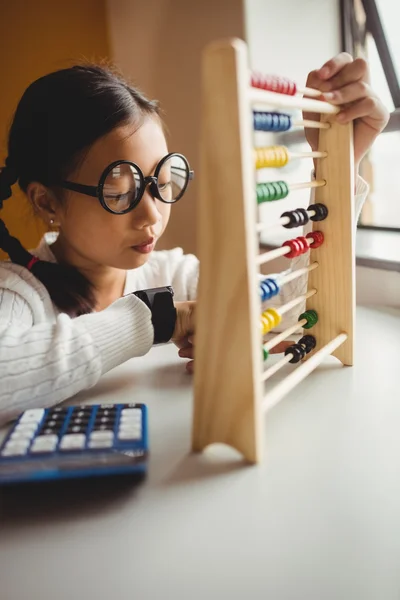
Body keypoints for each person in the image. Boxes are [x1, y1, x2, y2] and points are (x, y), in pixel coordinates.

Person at [0, 53, 389, 422]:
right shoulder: (19, 294)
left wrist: (340, 163)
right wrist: (159, 318)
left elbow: (294, 313)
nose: (152, 214)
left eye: (163, 182)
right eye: (119, 193)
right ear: (47, 201)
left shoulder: (173, 275)